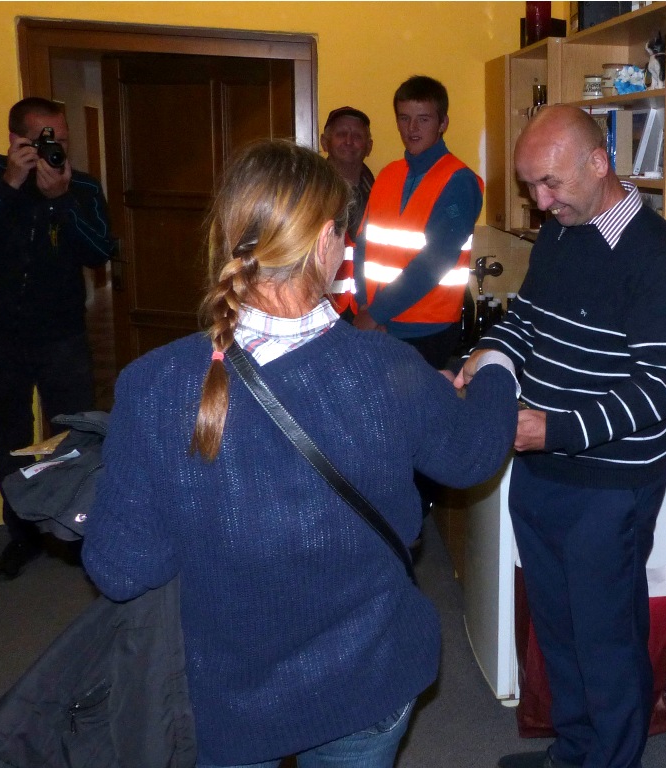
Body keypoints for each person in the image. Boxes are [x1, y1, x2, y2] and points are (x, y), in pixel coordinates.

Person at [81, 140, 519, 768]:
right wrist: (496, 366)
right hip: (365, 685)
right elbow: (473, 453)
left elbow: (122, 570)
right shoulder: (390, 371)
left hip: (225, 703)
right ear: (325, 244)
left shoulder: (154, 385)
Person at [456, 104, 666, 768]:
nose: (540, 201)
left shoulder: (661, 256)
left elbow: (656, 392)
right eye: (530, 186)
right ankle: (573, 753)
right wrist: (483, 361)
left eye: (550, 183)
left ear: (599, 163)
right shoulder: (561, 234)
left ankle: (611, 761)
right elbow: (526, 320)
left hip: (610, 485)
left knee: (606, 642)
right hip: (543, 471)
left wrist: (552, 429)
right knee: (557, 632)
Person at [0, 97, 115, 581]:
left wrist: (61, 201)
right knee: (11, 442)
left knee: (74, 437)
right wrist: (10, 186)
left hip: (62, 334)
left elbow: (99, 251)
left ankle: (73, 530)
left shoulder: (81, 185)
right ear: (15, 139)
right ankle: (22, 536)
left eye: (60, 139)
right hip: (0, 339)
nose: (53, 148)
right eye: (42, 140)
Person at [353, 75, 482, 370]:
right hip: (379, 324)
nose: (412, 129)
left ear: (442, 123)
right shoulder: (388, 174)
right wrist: (366, 307)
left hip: (427, 331)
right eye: (404, 118)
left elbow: (436, 260)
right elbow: (363, 245)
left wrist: (375, 314)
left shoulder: (458, 181)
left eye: (423, 119)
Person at [321, 105, 375, 318]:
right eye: (341, 134)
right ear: (324, 142)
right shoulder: (308, 193)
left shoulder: (384, 193)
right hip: (320, 308)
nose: (349, 141)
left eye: (357, 136)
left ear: (369, 146)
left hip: (369, 312)